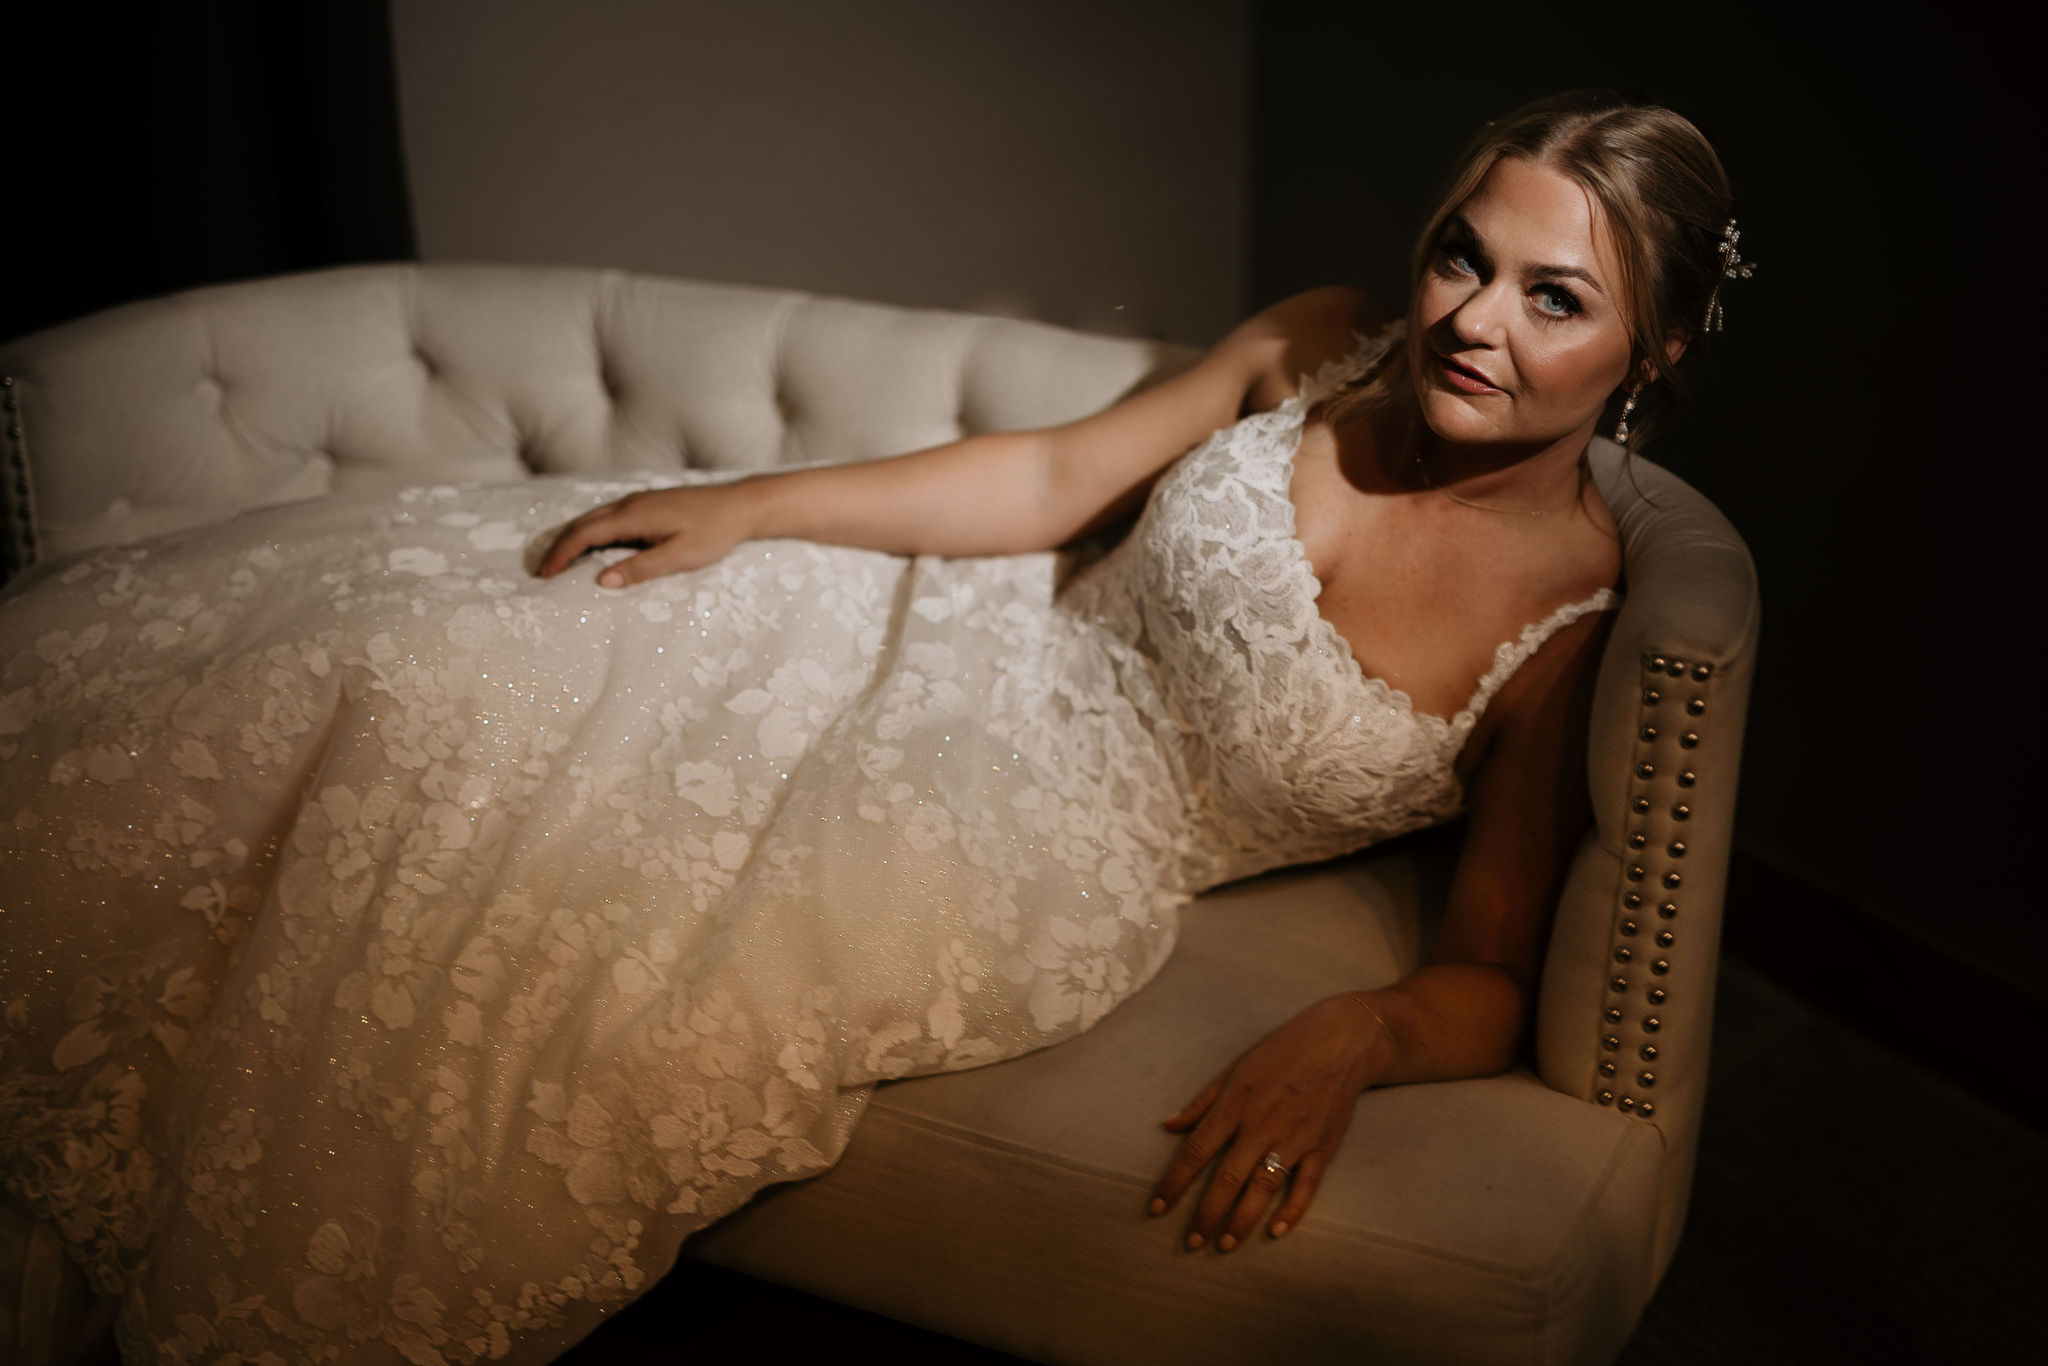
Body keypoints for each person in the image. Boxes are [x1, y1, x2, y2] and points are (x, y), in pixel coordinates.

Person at [0, 89, 1743, 1363]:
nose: (1469, 319)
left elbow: (1497, 973)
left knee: (555, 913)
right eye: (1466, 253)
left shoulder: (1566, 626)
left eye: (1553, 297)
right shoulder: (1325, 349)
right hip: (948, 622)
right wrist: (757, 506)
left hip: (1031, 837)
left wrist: (1355, 1035)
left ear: (1648, 354)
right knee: (438, 650)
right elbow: (1062, 477)